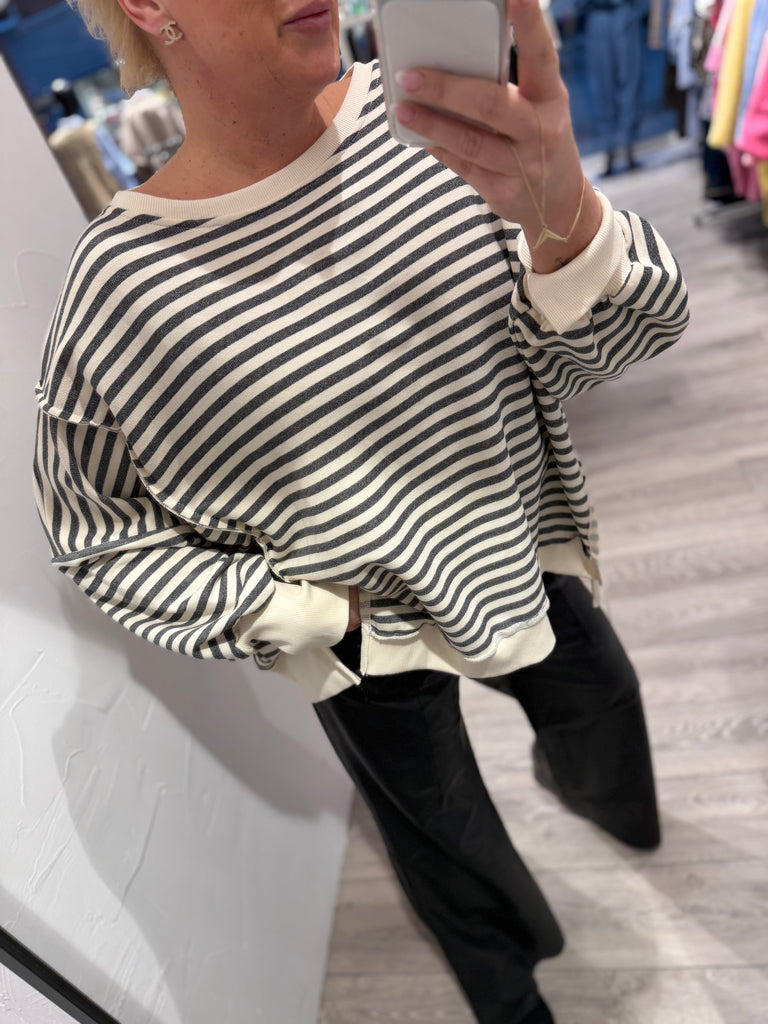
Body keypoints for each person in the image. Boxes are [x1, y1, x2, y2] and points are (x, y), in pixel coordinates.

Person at [33, 1, 689, 1022]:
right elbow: (95, 533)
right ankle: (511, 996)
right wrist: (297, 611)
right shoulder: (124, 286)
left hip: (522, 546)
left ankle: (609, 808)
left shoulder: (437, 119)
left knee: (601, 709)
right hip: (362, 636)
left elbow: (629, 337)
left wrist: (563, 212)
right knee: (443, 841)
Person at [581, 0, 647, 175]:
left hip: (625, 12)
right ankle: (609, 151)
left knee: (630, 81)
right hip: (598, 15)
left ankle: (629, 148)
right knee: (602, 87)